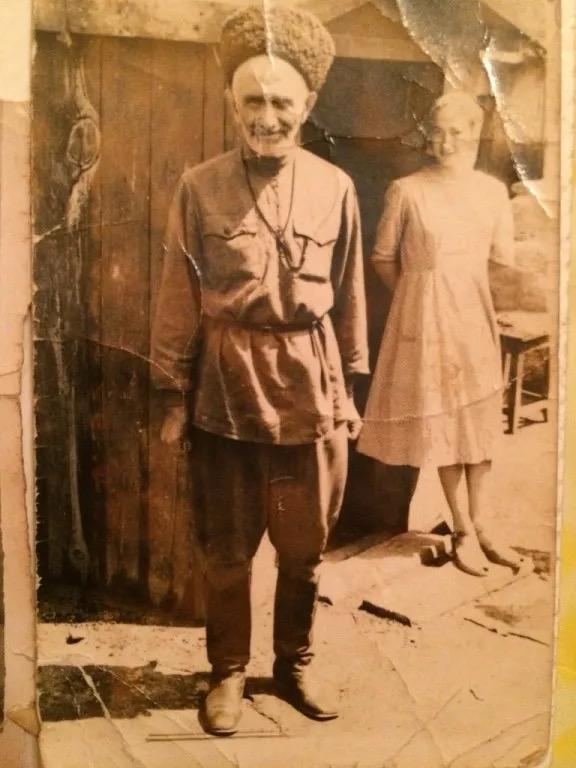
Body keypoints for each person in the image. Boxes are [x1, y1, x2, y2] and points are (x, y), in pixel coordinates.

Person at [150, 6, 368, 735]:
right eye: (252, 101)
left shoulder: (336, 187)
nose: (266, 117)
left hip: (311, 386)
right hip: (226, 389)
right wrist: (172, 395)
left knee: (304, 551)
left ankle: (293, 665)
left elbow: (350, 294)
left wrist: (350, 390)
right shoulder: (199, 186)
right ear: (231, 103)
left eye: (281, 101)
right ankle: (228, 673)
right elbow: (177, 295)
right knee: (226, 551)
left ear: (308, 103)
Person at [357, 91, 522, 578]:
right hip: (425, 322)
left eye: (458, 131)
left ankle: (484, 524)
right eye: (438, 132)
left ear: (476, 133)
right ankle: (462, 528)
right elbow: (383, 258)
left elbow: (501, 260)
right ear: (428, 136)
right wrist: (418, 297)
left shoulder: (492, 192)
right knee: (446, 420)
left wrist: (465, 290)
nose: (447, 142)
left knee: (478, 418)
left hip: (473, 315)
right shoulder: (407, 190)